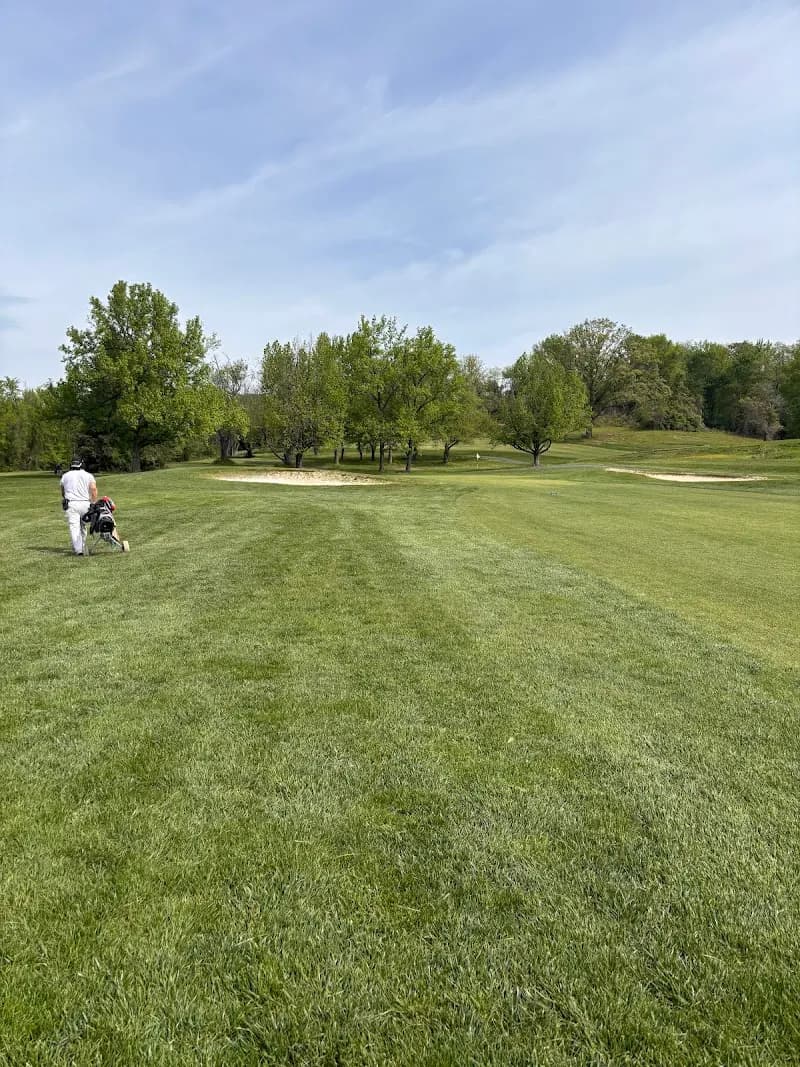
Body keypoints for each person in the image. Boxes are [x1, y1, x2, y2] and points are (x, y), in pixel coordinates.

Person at [60, 457, 97, 556]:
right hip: (85, 503)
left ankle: (79, 550)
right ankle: (82, 545)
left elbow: (63, 491)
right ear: (81, 464)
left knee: (74, 527)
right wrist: (93, 503)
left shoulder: (65, 476)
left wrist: (65, 497)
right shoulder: (88, 475)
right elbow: (93, 489)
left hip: (71, 504)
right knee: (83, 525)